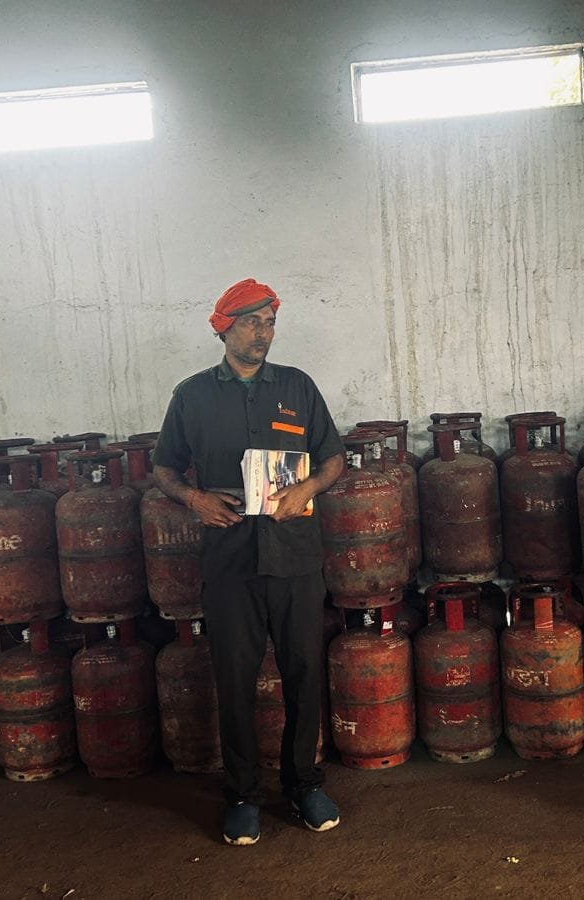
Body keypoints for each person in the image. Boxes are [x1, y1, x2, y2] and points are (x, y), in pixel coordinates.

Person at [151, 278, 346, 846]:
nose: (263, 333)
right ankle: (242, 794)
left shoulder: (297, 386)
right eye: (251, 323)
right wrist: (195, 499)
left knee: (303, 673)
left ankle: (304, 785)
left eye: (270, 323)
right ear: (223, 329)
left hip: (294, 556)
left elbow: (333, 457)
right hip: (230, 559)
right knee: (234, 679)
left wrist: (306, 488)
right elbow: (163, 468)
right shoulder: (191, 396)